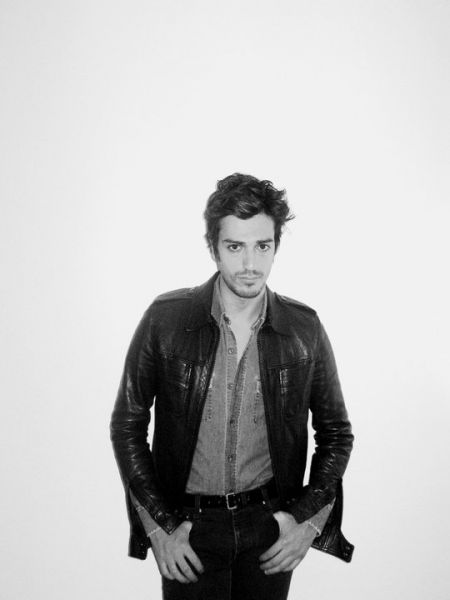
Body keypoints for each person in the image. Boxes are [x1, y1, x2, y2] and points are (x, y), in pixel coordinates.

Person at [110, 173, 354, 600]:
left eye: (263, 246)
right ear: (214, 248)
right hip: (188, 531)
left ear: (276, 246)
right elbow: (127, 425)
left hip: (269, 530)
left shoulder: (304, 329)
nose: (250, 264)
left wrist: (306, 521)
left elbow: (336, 434)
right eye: (235, 247)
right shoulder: (166, 320)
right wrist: (159, 527)